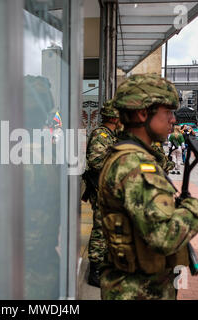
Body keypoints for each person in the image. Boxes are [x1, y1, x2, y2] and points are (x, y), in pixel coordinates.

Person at [97, 74, 198, 300]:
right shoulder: (134, 164)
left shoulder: (133, 155)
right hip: (138, 291)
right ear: (143, 113)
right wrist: (193, 209)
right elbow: (164, 238)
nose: (173, 120)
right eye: (167, 113)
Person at [83, 100, 120, 288]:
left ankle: (102, 266)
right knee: (100, 230)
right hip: (100, 189)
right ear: (114, 117)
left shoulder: (112, 135)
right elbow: (96, 162)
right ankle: (95, 271)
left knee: (106, 229)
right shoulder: (101, 135)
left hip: (107, 189)